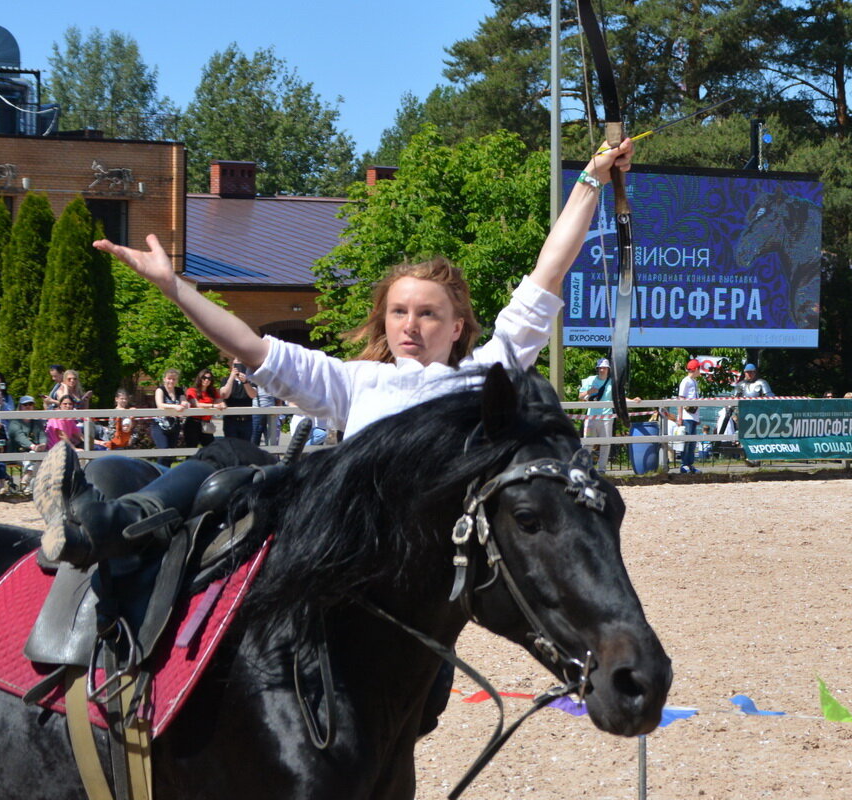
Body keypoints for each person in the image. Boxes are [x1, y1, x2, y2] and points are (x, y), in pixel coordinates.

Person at [32, 136, 635, 567]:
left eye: (429, 313)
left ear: (458, 328)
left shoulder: (485, 375)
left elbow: (547, 273)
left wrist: (590, 180)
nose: (411, 324)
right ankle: (109, 525)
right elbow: (247, 343)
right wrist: (172, 286)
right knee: (230, 457)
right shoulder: (353, 381)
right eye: (399, 311)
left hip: (404, 551)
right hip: (339, 530)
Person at [578, 357, 615, 472]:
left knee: (606, 443)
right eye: (600, 368)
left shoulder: (612, 382)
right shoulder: (590, 380)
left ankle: (602, 469)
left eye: (604, 368)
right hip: (591, 417)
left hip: (607, 417)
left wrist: (634, 400)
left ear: (608, 369)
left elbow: (620, 398)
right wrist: (589, 392)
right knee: (588, 443)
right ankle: (584, 468)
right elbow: (580, 397)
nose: (602, 370)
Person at [150, 368, 190, 467]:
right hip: (159, 425)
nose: (171, 381)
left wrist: (185, 404)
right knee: (164, 451)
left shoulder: (179, 390)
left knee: (170, 454)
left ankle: (167, 473)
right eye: (169, 378)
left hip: (174, 425)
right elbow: (160, 404)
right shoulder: (160, 390)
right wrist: (175, 406)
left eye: (174, 379)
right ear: (164, 379)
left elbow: (183, 401)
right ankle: (159, 472)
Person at [9, 395, 48, 492]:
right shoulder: (14, 422)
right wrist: (34, 447)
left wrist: (43, 444)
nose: (28, 406)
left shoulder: (37, 423)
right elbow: (20, 437)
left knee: (38, 457)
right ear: (20, 407)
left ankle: (28, 483)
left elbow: (42, 435)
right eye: (25, 404)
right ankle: (28, 482)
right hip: (18, 452)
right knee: (34, 456)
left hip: (35, 453)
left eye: (30, 404)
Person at [185, 368, 224, 448]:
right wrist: (213, 406)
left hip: (207, 422)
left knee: (210, 448)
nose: (207, 380)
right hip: (193, 423)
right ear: (200, 378)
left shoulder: (213, 391)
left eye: (209, 378)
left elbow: (220, 402)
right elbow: (196, 404)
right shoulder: (192, 390)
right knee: (191, 449)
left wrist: (222, 404)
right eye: (204, 378)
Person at [677, 359, 702, 474]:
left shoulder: (694, 382)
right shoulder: (685, 381)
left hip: (693, 415)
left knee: (692, 442)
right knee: (687, 441)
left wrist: (698, 417)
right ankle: (684, 464)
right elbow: (681, 398)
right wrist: (680, 416)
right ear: (696, 369)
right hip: (687, 415)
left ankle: (690, 464)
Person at [220, 360, 256, 441]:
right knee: (232, 447)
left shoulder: (250, 380)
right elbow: (224, 394)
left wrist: (245, 382)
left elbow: (253, 395)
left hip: (247, 421)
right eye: (236, 366)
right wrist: (231, 378)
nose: (239, 368)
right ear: (232, 367)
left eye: (242, 365)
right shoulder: (226, 380)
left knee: (245, 448)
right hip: (230, 421)